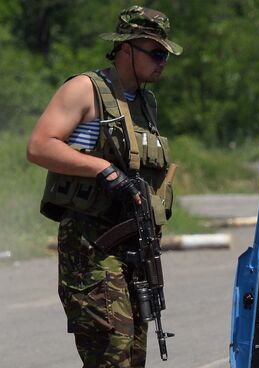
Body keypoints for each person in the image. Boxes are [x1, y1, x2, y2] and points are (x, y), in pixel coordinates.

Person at [26, 5, 182, 367]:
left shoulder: (145, 102)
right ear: (126, 49)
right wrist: (102, 170)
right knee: (112, 353)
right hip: (92, 244)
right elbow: (40, 145)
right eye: (155, 52)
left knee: (132, 355)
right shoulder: (86, 89)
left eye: (165, 54)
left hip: (134, 247)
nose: (163, 61)